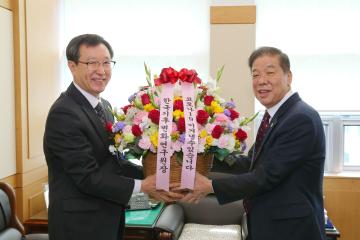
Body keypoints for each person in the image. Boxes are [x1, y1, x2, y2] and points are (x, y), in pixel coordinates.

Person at [43, 34, 181, 240]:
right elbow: (88, 177)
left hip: (108, 218)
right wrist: (144, 186)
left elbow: (114, 162)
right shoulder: (64, 113)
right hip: (78, 227)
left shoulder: (104, 107)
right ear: (72, 66)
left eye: (106, 63)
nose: (101, 71)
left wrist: (160, 175)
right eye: (92, 63)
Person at [179, 47, 326, 240]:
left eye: (270, 73)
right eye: (255, 75)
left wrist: (211, 186)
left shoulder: (300, 118)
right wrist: (204, 157)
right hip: (270, 224)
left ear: (288, 77)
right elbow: (250, 163)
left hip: (291, 229)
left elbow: (266, 176)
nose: (261, 81)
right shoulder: (275, 116)